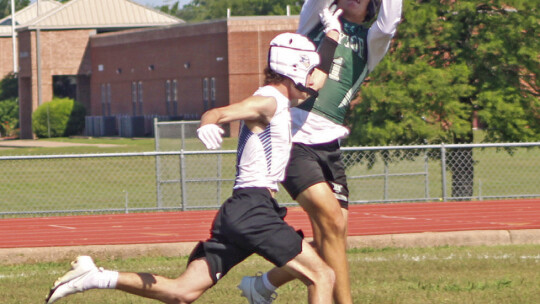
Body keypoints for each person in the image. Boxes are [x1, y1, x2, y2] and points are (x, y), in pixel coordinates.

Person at [45, 28, 343, 304]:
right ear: (292, 71)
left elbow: (316, 81)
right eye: (307, 70)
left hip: (241, 210)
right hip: (254, 208)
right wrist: (208, 123)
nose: (313, 81)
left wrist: (331, 38)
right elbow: (219, 111)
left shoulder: (281, 97)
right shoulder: (269, 101)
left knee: (182, 292)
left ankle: (96, 276)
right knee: (322, 274)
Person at [239, 1, 403, 303]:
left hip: (329, 146)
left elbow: (390, 22)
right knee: (333, 222)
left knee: (332, 239)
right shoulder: (316, 21)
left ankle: (263, 284)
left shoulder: (371, 41)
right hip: (294, 139)